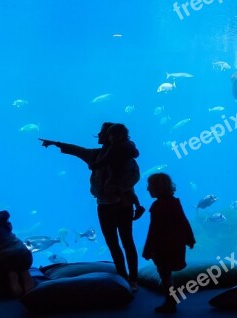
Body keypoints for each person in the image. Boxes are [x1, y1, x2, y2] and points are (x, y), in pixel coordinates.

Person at [40, 122, 145, 289]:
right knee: (113, 242)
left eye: (102, 133)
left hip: (122, 204)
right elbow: (78, 150)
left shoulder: (125, 156)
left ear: (110, 137)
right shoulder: (97, 154)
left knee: (126, 241)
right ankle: (123, 277)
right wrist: (56, 144)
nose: (99, 135)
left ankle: (132, 279)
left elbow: (134, 177)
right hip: (104, 204)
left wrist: (119, 190)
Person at [142, 173, 195, 313]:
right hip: (176, 244)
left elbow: (153, 230)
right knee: (167, 274)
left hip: (162, 247)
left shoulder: (157, 206)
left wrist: (147, 249)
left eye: (150, 186)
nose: (147, 189)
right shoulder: (174, 202)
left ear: (157, 188)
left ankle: (170, 302)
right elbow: (184, 221)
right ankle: (170, 301)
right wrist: (190, 238)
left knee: (164, 275)